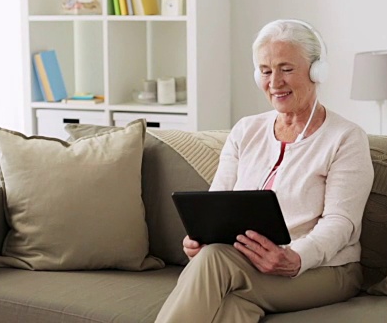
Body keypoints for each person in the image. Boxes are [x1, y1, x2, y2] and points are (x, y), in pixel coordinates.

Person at [155, 19, 375, 322]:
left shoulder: (346, 138)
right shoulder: (246, 130)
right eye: (266, 71)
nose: (275, 82)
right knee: (231, 305)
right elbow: (217, 201)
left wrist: (296, 257)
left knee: (215, 260)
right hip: (246, 264)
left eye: (286, 69)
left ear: (316, 71)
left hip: (326, 271)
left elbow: (341, 222)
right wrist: (201, 236)